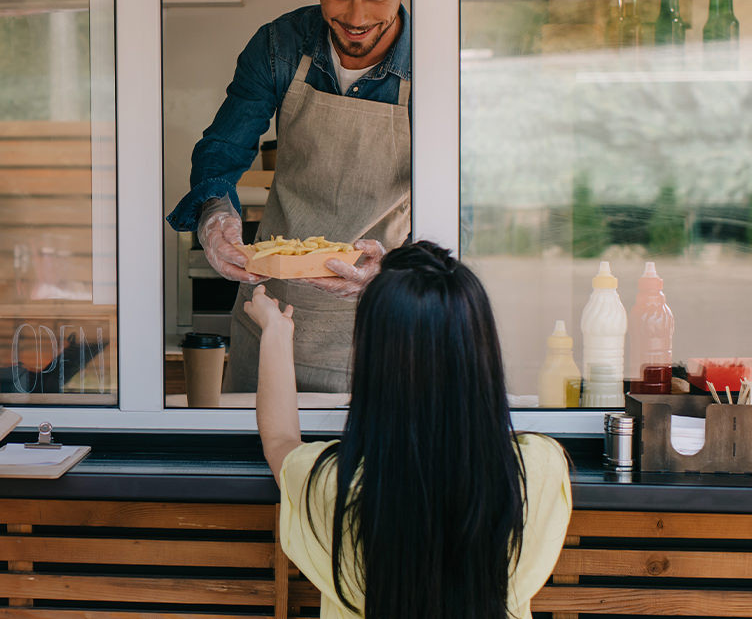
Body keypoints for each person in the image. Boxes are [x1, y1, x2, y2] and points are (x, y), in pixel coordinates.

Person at [244, 242, 571, 619]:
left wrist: (276, 332)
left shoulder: (338, 487)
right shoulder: (536, 469)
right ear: (481, 352)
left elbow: (280, 441)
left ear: (374, 361)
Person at [166, 0, 413, 393]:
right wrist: (214, 213)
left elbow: (458, 190)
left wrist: (401, 268)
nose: (357, 16)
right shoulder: (280, 45)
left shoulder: (432, 59)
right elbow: (223, 148)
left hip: (382, 308)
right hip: (273, 306)